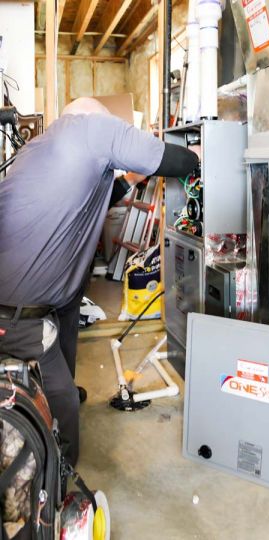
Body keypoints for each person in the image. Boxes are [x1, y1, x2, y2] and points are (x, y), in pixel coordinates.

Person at [0, 97, 199, 466]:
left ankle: (63, 384)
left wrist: (131, 179)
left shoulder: (40, 146)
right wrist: (197, 155)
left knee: (70, 305)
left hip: (33, 295)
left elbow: (94, 198)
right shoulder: (95, 129)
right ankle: (59, 479)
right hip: (17, 313)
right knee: (64, 409)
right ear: (96, 119)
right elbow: (176, 161)